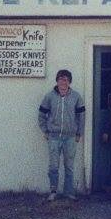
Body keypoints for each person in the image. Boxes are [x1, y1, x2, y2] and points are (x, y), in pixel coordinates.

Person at [38, 69, 85, 201]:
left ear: (69, 82)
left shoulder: (76, 97)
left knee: (69, 166)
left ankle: (69, 192)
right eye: (60, 79)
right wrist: (45, 131)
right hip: (53, 137)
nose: (63, 82)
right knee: (53, 166)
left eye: (65, 79)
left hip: (70, 137)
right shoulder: (49, 96)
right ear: (57, 81)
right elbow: (41, 115)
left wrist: (79, 133)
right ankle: (53, 191)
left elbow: (81, 116)